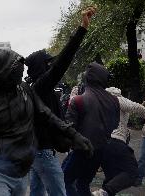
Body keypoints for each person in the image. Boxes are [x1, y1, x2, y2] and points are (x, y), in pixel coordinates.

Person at [0, 49, 93, 196]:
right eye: (17, 69)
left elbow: (47, 115)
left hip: (21, 172)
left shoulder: (25, 90)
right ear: (4, 71)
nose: (22, 73)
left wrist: (73, 135)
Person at [24, 7, 96, 196]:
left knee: (37, 192)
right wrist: (82, 29)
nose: (50, 67)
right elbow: (62, 62)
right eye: (47, 64)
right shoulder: (40, 86)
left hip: (37, 151)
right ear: (41, 67)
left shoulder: (36, 88)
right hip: (43, 153)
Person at [92, 87, 145, 196]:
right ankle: (103, 192)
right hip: (115, 140)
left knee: (111, 174)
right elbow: (139, 108)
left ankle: (105, 191)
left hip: (99, 142)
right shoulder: (118, 99)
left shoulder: (97, 102)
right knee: (132, 172)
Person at [63, 62, 120, 196]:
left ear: (87, 78)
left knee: (65, 180)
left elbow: (69, 128)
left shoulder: (78, 100)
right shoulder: (114, 101)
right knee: (83, 183)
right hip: (101, 150)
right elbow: (115, 124)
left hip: (81, 150)